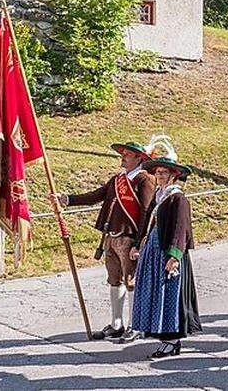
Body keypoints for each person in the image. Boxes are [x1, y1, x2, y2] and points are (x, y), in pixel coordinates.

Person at [57, 142, 156, 340]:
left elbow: (147, 212)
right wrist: (68, 199)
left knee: (131, 282)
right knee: (114, 280)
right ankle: (116, 323)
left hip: (130, 238)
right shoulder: (117, 179)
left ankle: (134, 325)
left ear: (140, 158)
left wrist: (139, 242)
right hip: (111, 236)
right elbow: (96, 195)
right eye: (124, 153)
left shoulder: (144, 180)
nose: (124, 156)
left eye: (128, 154)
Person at [129, 151, 202, 358]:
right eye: (158, 172)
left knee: (168, 295)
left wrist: (174, 256)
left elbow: (181, 228)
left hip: (168, 253)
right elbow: (147, 222)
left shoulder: (177, 198)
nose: (160, 176)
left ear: (173, 175)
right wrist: (138, 245)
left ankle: (171, 341)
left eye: (164, 172)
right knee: (155, 293)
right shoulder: (159, 196)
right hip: (153, 251)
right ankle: (165, 339)